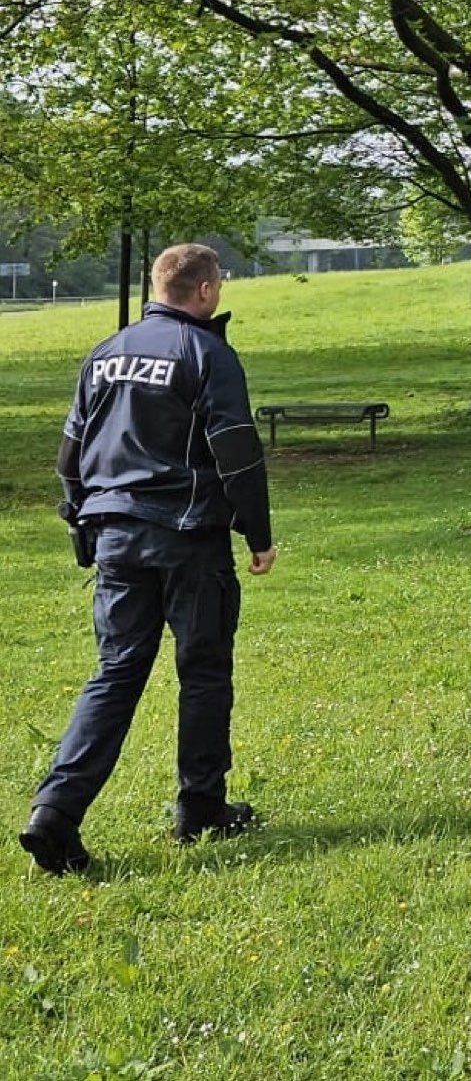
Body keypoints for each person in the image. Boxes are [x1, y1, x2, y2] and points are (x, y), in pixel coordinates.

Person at [19, 243, 277, 875]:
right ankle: (201, 808)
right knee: (204, 670)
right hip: (188, 537)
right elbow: (237, 452)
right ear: (205, 290)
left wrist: (81, 518)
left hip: (114, 535)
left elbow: (69, 454)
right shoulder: (207, 353)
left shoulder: (105, 354)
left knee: (116, 673)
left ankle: (54, 812)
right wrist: (258, 533)